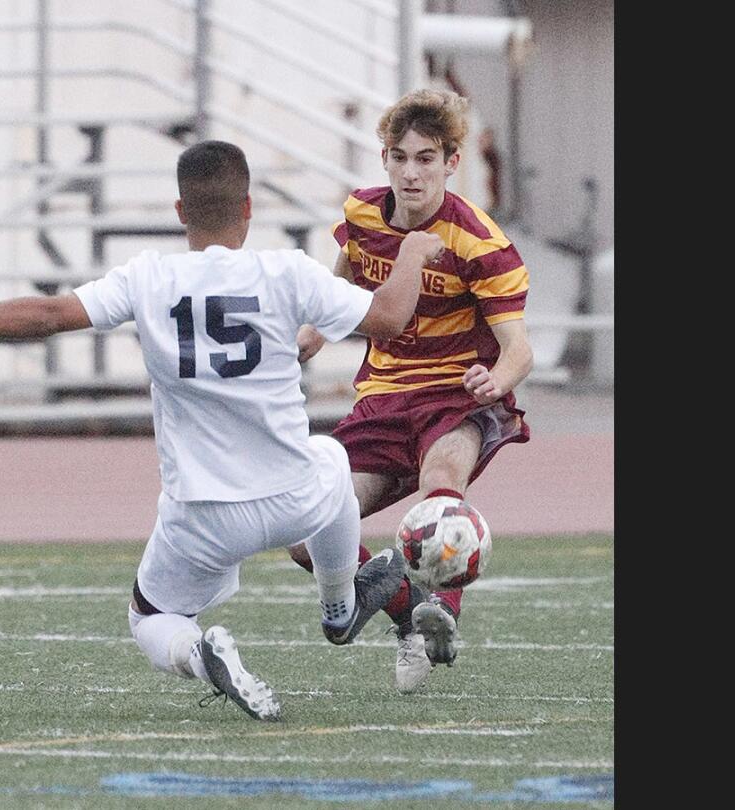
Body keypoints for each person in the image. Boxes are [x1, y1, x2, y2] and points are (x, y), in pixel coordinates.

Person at [0, 141, 447, 720]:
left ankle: (202, 654)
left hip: (202, 515)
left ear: (180, 211)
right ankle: (338, 608)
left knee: (150, 619)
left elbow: (51, 315)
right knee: (331, 457)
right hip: (293, 500)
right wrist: (411, 254)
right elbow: (387, 317)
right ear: (249, 207)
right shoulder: (286, 270)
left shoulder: (148, 277)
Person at [291, 88, 534, 694]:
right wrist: (312, 334)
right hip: (381, 400)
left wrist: (495, 379)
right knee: (301, 530)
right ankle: (408, 614)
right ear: (384, 159)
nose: (410, 172)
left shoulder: (480, 242)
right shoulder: (363, 216)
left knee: (440, 489)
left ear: (452, 162)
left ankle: (441, 610)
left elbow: (519, 350)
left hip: (456, 397)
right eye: (399, 157)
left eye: (426, 158)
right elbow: (342, 280)